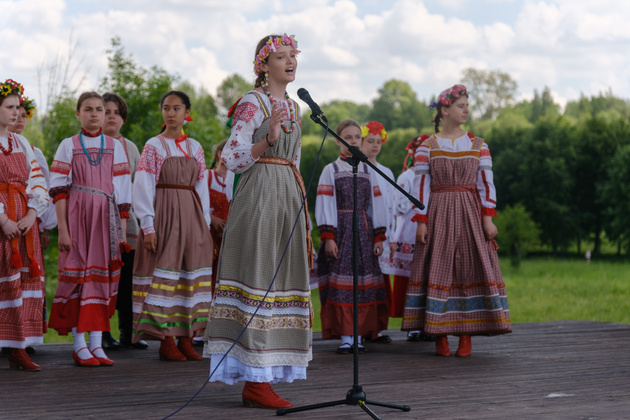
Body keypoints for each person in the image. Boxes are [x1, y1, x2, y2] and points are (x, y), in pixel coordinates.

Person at [204, 34, 312, 410]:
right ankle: (254, 379)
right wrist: (267, 138)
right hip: (259, 195)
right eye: (280, 56)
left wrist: (300, 205)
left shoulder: (296, 108)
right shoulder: (252, 103)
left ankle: (264, 375)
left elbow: (294, 158)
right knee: (259, 278)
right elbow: (232, 156)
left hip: (286, 195)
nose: (289, 61)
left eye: (292, 55)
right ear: (263, 66)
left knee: (281, 279)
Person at [401, 84, 511, 357]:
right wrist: (422, 221)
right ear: (445, 110)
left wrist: (488, 217)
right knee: (438, 268)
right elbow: (421, 186)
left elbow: (486, 184)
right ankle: (439, 334)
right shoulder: (428, 146)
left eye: (467, 106)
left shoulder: (478, 145)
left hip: (469, 213)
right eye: (461, 106)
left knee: (469, 268)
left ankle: (465, 334)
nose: (466, 110)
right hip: (438, 210)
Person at [48, 91, 132, 367]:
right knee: (79, 277)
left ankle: (96, 345)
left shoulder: (114, 146)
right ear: (78, 113)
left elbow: (121, 190)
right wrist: (63, 229)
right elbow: (59, 190)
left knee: (101, 277)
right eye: (88, 109)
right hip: (77, 216)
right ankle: (79, 345)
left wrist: (120, 230)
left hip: (105, 219)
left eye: (100, 109)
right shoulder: (68, 145)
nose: (95, 114)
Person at [131, 91, 213, 362]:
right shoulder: (154, 145)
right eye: (166, 108)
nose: (170, 113)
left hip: (191, 214)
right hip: (164, 213)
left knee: (189, 274)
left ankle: (186, 338)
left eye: (176, 108)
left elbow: (201, 188)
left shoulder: (196, 148)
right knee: (167, 274)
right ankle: (166, 340)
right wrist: (148, 225)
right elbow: (142, 185)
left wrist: (205, 225)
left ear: (186, 112)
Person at [314, 118, 388, 355]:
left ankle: (359, 335)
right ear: (338, 141)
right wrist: (329, 236)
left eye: (357, 137)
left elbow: (376, 204)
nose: (354, 141)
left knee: (363, 283)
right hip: (341, 230)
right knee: (343, 282)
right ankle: (346, 336)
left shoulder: (368, 169)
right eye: (348, 137)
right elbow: (324, 203)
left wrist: (379, 236)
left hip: (364, 231)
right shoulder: (331, 169)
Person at [0, 79, 49, 371]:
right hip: (4, 221)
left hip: (23, 225)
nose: (16, 113)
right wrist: (3, 220)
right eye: (9, 107)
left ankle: (19, 348)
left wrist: (32, 215)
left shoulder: (20, 143)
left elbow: (37, 180)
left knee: (20, 281)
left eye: (17, 107)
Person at [101, 92, 148, 350]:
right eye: (107, 111)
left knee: (128, 276)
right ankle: (102, 334)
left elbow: (138, 187)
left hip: (127, 221)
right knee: (103, 276)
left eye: (117, 113)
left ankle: (128, 331)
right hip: (98, 219)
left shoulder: (130, 147)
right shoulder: (89, 143)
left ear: (123, 118)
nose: (112, 117)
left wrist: (144, 223)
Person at [361, 120, 395, 344]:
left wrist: (391, 237)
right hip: (363, 233)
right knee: (364, 283)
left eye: (378, 141)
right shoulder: (358, 170)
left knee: (381, 283)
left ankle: (379, 328)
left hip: (384, 236)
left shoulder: (386, 172)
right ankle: (362, 329)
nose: (375, 145)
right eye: (370, 141)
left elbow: (391, 206)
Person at [207, 139, 231, 294]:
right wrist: (212, 219)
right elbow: (196, 206)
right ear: (220, 154)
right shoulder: (206, 176)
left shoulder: (237, 181)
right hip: (207, 237)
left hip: (227, 239)